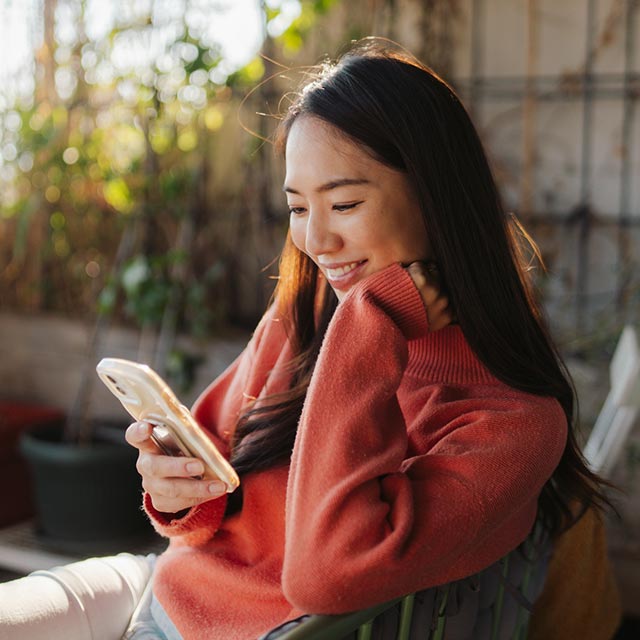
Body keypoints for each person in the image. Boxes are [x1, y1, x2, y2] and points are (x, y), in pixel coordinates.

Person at [118, 41, 619, 640]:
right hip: (160, 593)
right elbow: (211, 506)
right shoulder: (296, 323)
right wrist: (182, 494)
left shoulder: (512, 422)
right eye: (297, 208)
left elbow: (326, 576)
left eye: (345, 202)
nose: (316, 240)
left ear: (436, 198)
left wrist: (366, 332)